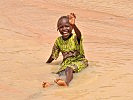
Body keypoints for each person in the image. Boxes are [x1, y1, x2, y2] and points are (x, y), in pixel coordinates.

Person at [43, 13, 88, 87]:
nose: (64, 29)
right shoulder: (58, 41)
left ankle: (67, 83)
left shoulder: (75, 37)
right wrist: (46, 63)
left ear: (71, 27)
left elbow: (79, 35)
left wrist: (74, 25)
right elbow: (53, 55)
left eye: (67, 26)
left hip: (80, 61)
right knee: (60, 73)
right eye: (61, 27)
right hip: (66, 64)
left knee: (69, 69)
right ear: (58, 29)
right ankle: (52, 84)